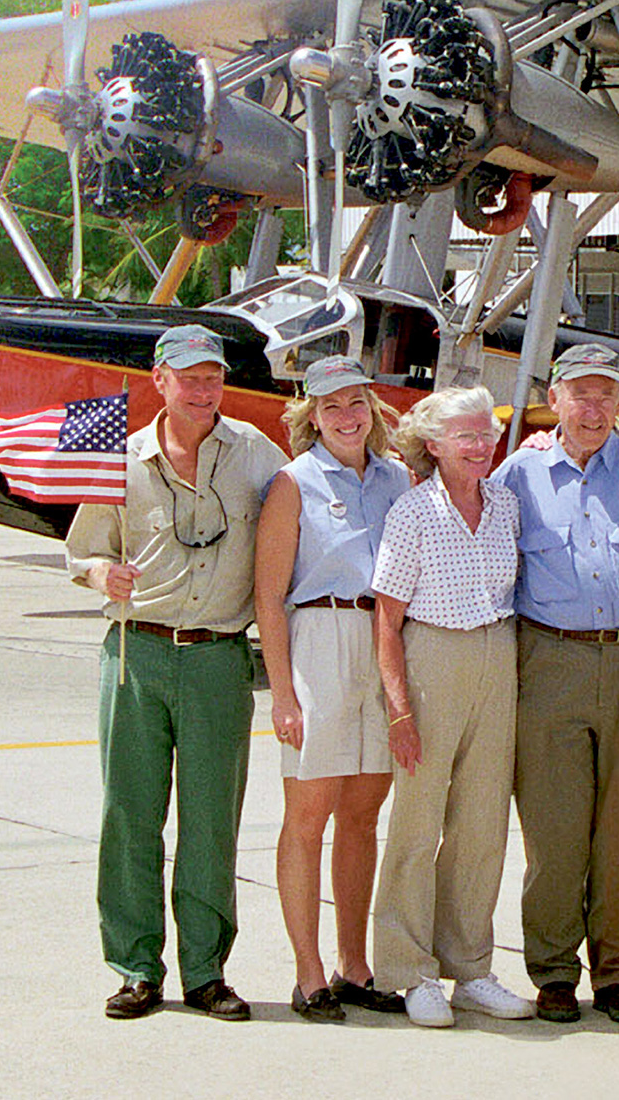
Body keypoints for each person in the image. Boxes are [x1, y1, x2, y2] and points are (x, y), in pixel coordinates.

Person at [64, 323, 287, 1022]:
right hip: (137, 652)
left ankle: (205, 970)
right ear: (158, 380)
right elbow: (83, 552)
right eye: (188, 377)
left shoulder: (255, 453)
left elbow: (319, 493)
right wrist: (103, 571)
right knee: (129, 814)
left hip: (219, 656)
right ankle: (135, 964)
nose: (203, 389)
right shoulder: (118, 458)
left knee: (212, 820)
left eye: (213, 376)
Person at [495, 344, 619, 1026]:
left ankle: (617, 973)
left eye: (606, 394)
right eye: (580, 393)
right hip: (548, 662)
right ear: (555, 400)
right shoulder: (518, 474)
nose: (594, 407)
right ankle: (552, 972)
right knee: (553, 831)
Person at [367, 386, 534, 1028]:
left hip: (499, 651)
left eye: (487, 433)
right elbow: (387, 621)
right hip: (432, 656)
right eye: (466, 436)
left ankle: (470, 967)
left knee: (483, 823)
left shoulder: (505, 503)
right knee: (417, 822)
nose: (481, 446)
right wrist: (400, 710)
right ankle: (408, 970)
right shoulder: (412, 513)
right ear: (433, 445)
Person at [252, 355, 412, 1022]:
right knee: (309, 815)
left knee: (362, 813)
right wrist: (283, 690)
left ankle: (354, 965)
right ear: (311, 416)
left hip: (384, 642)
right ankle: (308, 972)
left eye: (357, 403)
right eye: (331, 406)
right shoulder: (293, 483)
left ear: (373, 410)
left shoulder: (398, 479)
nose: (347, 417)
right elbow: (267, 595)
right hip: (318, 638)